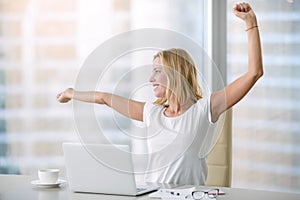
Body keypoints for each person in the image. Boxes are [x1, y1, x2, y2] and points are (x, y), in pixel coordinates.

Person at [57, 2, 263, 185]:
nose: (150, 79)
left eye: (157, 71)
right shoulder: (151, 113)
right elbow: (103, 98)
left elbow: (254, 73)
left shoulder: (204, 109)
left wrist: (250, 23)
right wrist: (71, 93)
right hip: (152, 195)